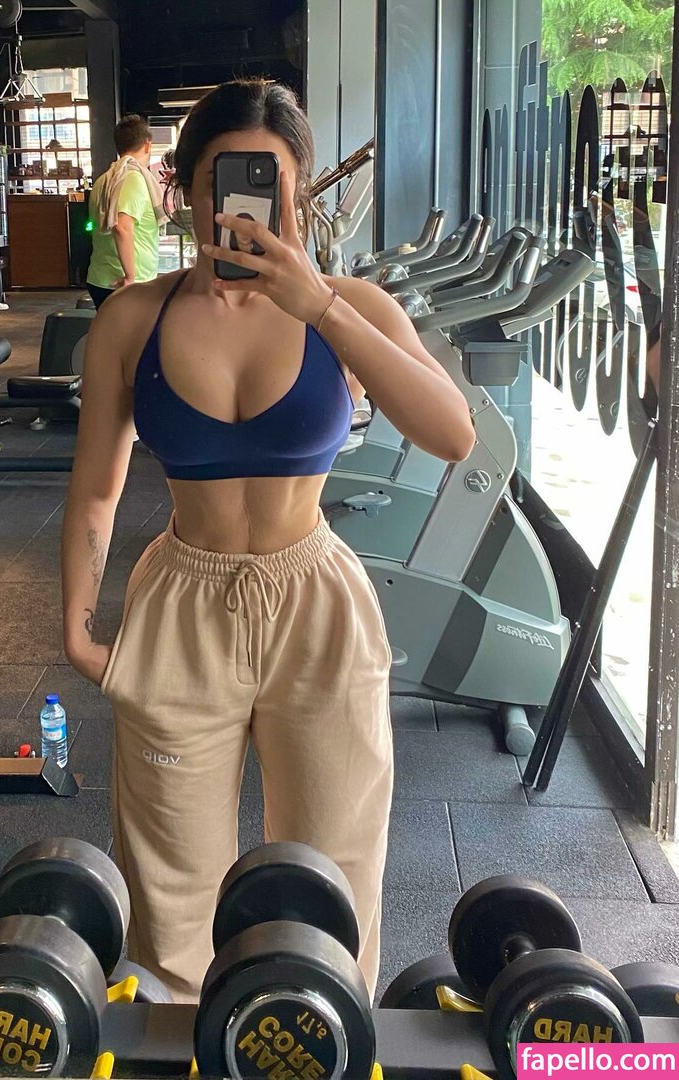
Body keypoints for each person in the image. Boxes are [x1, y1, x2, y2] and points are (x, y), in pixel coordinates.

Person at [62, 79, 476, 1003]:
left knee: (334, 874)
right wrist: (78, 628)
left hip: (314, 601)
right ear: (186, 189)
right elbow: (96, 488)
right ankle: (184, 1049)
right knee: (170, 889)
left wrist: (320, 305)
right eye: (221, 178)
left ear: (299, 191)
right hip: (182, 602)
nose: (241, 202)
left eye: (269, 180)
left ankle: (322, 1036)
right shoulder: (134, 318)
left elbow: (453, 435)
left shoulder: (351, 305)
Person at [86, 114, 165, 308]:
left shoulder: (103, 180)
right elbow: (121, 227)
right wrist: (131, 276)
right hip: (125, 283)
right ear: (147, 145)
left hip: (102, 278)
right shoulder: (132, 179)